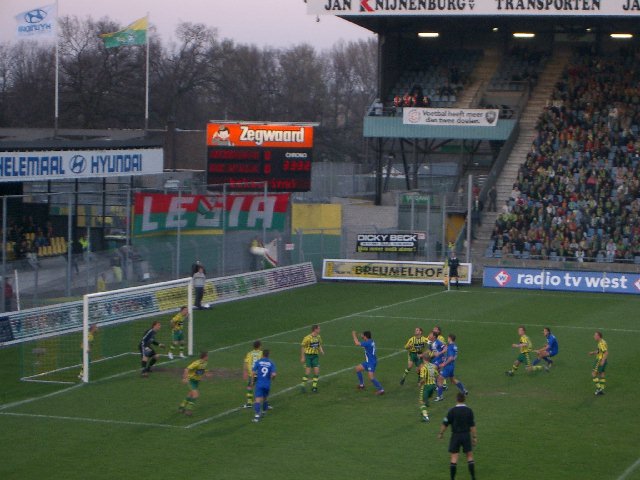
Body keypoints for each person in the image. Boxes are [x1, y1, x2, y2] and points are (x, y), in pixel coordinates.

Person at [438, 392, 477, 480]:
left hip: (455, 436)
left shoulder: (452, 411)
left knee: (454, 457)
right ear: (464, 399)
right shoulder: (469, 410)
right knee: (469, 456)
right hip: (466, 435)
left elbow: (445, 423)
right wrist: (474, 437)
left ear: (456, 399)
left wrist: (441, 433)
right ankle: (473, 477)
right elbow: (472, 425)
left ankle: (452, 479)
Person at [435, 334, 469, 402]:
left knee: (439, 379)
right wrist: (441, 353)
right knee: (453, 380)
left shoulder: (450, 347)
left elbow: (451, 358)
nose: (447, 339)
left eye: (448, 338)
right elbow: (448, 351)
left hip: (448, 366)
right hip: (452, 366)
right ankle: (464, 390)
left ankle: (440, 396)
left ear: (450, 338)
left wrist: (444, 364)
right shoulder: (454, 346)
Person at [179, 351, 212, 416]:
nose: (208, 357)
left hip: (196, 381)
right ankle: (188, 410)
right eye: (207, 356)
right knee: (196, 395)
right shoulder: (196, 363)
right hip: (191, 380)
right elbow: (186, 369)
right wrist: (184, 378)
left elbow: (201, 370)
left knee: (190, 394)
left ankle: (181, 407)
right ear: (204, 357)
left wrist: (206, 373)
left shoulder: (205, 363)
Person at [351, 330, 384, 395]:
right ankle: (361, 385)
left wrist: (354, 335)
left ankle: (381, 390)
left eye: (363, 335)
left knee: (371, 377)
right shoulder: (370, 341)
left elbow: (357, 343)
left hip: (371, 363)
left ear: (365, 336)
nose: (362, 335)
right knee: (357, 368)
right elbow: (361, 342)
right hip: (369, 361)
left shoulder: (367, 343)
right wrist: (359, 336)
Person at [251, 349, 277, 423]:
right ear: (268, 355)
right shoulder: (271, 363)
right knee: (265, 398)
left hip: (259, 384)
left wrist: (253, 381)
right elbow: (274, 374)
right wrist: (272, 378)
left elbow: (253, 372)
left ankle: (257, 416)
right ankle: (264, 412)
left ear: (262, 355)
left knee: (257, 400)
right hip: (267, 384)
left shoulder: (258, 362)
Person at [300, 324, 324, 393]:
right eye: (319, 329)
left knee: (317, 372)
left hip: (315, 356)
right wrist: (303, 357)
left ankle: (314, 387)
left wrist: (321, 350)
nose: (320, 330)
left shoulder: (318, 337)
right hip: (308, 356)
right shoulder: (307, 338)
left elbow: (319, 344)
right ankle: (303, 385)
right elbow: (303, 347)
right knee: (307, 372)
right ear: (315, 330)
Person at [243, 340, 263, 408]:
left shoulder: (249, 353)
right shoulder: (261, 353)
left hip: (251, 374)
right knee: (261, 387)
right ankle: (264, 402)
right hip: (259, 373)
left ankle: (249, 402)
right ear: (259, 346)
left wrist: (245, 372)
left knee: (249, 387)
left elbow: (245, 363)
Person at [418, 356, 438, 423]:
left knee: (421, 402)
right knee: (426, 399)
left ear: (424, 359)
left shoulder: (423, 368)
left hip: (426, 386)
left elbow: (423, 379)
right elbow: (436, 374)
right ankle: (425, 406)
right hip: (433, 385)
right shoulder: (433, 366)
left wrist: (419, 383)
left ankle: (426, 417)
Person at [589, 331, 608, 395]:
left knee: (593, 373)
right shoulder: (602, 341)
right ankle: (602, 389)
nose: (594, 336)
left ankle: (599, 389)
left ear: (598, 336)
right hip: (604, 360)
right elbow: (599, 351)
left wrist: (602, 360)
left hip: (600, 360)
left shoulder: (601, 343)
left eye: (595, 335)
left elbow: (606, 352)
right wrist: (593, 353)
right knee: (602, 373)